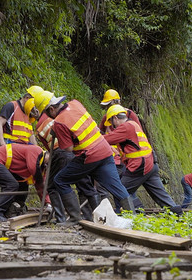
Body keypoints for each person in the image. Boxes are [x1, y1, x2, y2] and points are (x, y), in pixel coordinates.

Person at [35, 91, 135, 223]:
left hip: (89, 155)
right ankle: (134, 218)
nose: (47, 116)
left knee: (60, 180)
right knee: (116, 185)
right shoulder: (76, 103)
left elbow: (68, 149)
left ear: (52, 109)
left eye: (47, 113)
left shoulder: (59, 123)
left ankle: (75, 218)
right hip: (105, 150)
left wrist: (59, 134)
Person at [103, 105, 182, 215]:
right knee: (161, 196)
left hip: (139, 166)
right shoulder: (134, 124)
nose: (113, 126)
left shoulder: (125, 127)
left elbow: (106, 140)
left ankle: (134, 215)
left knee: (120, 191)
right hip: (151, 165)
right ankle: (179, 215)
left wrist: (93, 135)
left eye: (112, 123)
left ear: (115, 118)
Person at [35, 98, 99, 223]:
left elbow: (50, 149)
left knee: (53, 185)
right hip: (77, 151)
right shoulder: (63, 115)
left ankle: (63, 218)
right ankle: (91, 217)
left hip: (61, 153)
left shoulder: (43, 125)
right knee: (84, 185)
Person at [0, 143, 48, 222]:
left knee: (23, 186)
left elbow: (40, 186)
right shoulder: (37, 151)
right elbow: (33, 168)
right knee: (11, 185)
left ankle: (13, 209)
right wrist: (41, 182)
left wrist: (48, 203)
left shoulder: (43, 166)